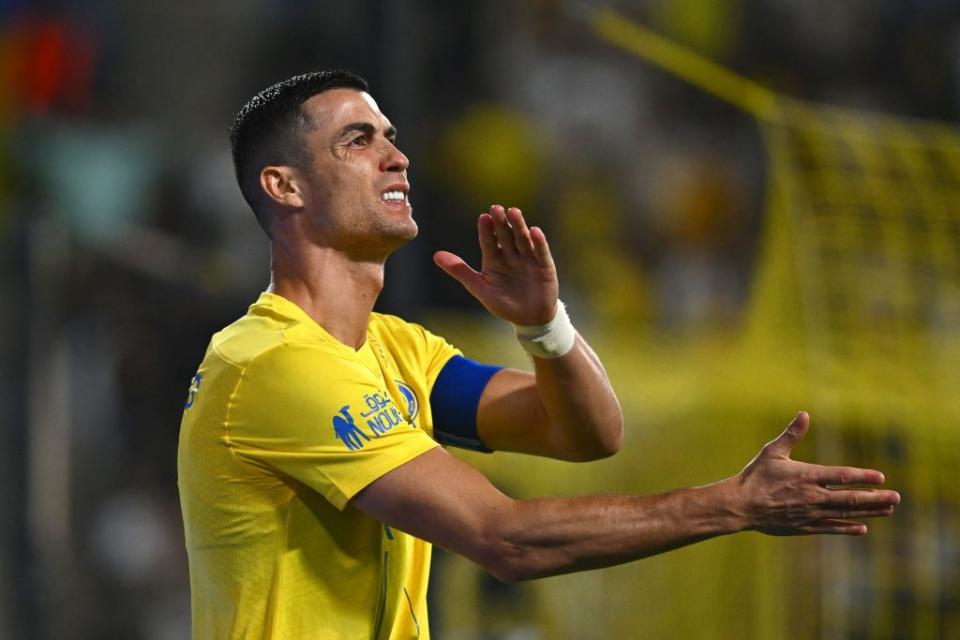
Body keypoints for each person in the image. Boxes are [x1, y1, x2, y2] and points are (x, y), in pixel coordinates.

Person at [177, 70, 899, 639]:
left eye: (391, 136)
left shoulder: (401, 350)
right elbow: (505, 540)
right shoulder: (271, 363)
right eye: (358, 140)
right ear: (284, 185)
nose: (397, 157)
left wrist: (545, 325)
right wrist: (735, 505)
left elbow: (587, 434)